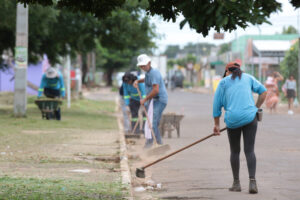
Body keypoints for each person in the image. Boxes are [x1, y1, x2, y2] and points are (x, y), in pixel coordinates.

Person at [213, 61, 267, 194]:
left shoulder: (223, 82)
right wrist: (256, 107)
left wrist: (217, 125)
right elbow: (263, 92)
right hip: (250, 118)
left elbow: (216, 106)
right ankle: (252, 182)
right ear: (239, 70)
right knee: (249, 151)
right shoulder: (248, 78)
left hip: (232, 120)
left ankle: (236, 183)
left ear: (227, 71)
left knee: (235, 151)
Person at [134, 54, 168, 148]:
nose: (143, 67)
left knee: (152, 122)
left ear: (149, 63)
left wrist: (145, 99)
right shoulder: (148, 73)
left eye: (144, 65)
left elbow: (156, 90)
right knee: (151, 122)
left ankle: (153, 145)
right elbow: (147, 80)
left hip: (159, 100)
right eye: (141, 66)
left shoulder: (154, 72)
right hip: (153, 100)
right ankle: (157, 144)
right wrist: (138, 81)